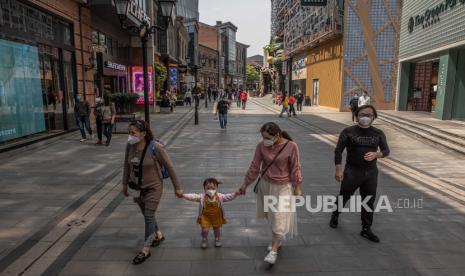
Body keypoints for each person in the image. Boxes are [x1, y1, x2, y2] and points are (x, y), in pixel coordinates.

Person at [239, 122, 303, 265]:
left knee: (280, 215)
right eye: (263, 137)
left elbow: (296, 167)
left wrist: (297, 187)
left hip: (283, 187)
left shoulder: (292, 146)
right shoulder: (261, 146)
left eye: (267, 137)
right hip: (266, 186)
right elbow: (254, 167)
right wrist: (245, 184)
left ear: (277, 135)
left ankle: (273, 250)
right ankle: (277, 241)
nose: (265, 140)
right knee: (272, 217)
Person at [122, 120, 184, 265]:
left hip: (153, 186)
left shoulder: (155, 147)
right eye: (129, 133)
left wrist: (177, 187)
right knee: (147, 213)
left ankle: (146, 248)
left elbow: (170, 167)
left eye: (133, 133)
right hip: (136, 188)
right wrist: (124, 184)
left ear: (143, 134)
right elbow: (126, 165)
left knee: (148, 215)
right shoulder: (129, 146)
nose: (130, 136)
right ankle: (158, 235)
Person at [330, 105, 390, 243]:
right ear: (356, 116)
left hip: (371, 172)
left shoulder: (378, 133)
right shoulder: (348, 132)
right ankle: (335, 214)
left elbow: (386, 151)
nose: (365, 117)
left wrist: (377, 154)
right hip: (352, 171)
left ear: (374, 117)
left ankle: (366, 229)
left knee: (368, 200)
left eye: (369, 115)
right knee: (344, 196)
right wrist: (338, 170)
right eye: (362, 114)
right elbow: (338, 151)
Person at [181, 178, 239, 248]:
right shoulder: (202, 197)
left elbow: (228, 197)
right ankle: (204, 239)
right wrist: (183, 195)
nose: (210, 190)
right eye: (208, 188)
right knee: (204, 230)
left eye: (213, 188)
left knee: (217, 229)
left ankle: (217, 239)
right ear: (204, 188)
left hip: (216, 216)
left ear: (217, 188)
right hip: (205, 217)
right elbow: (193, 196)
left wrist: (235, 194)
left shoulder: (220, 196)